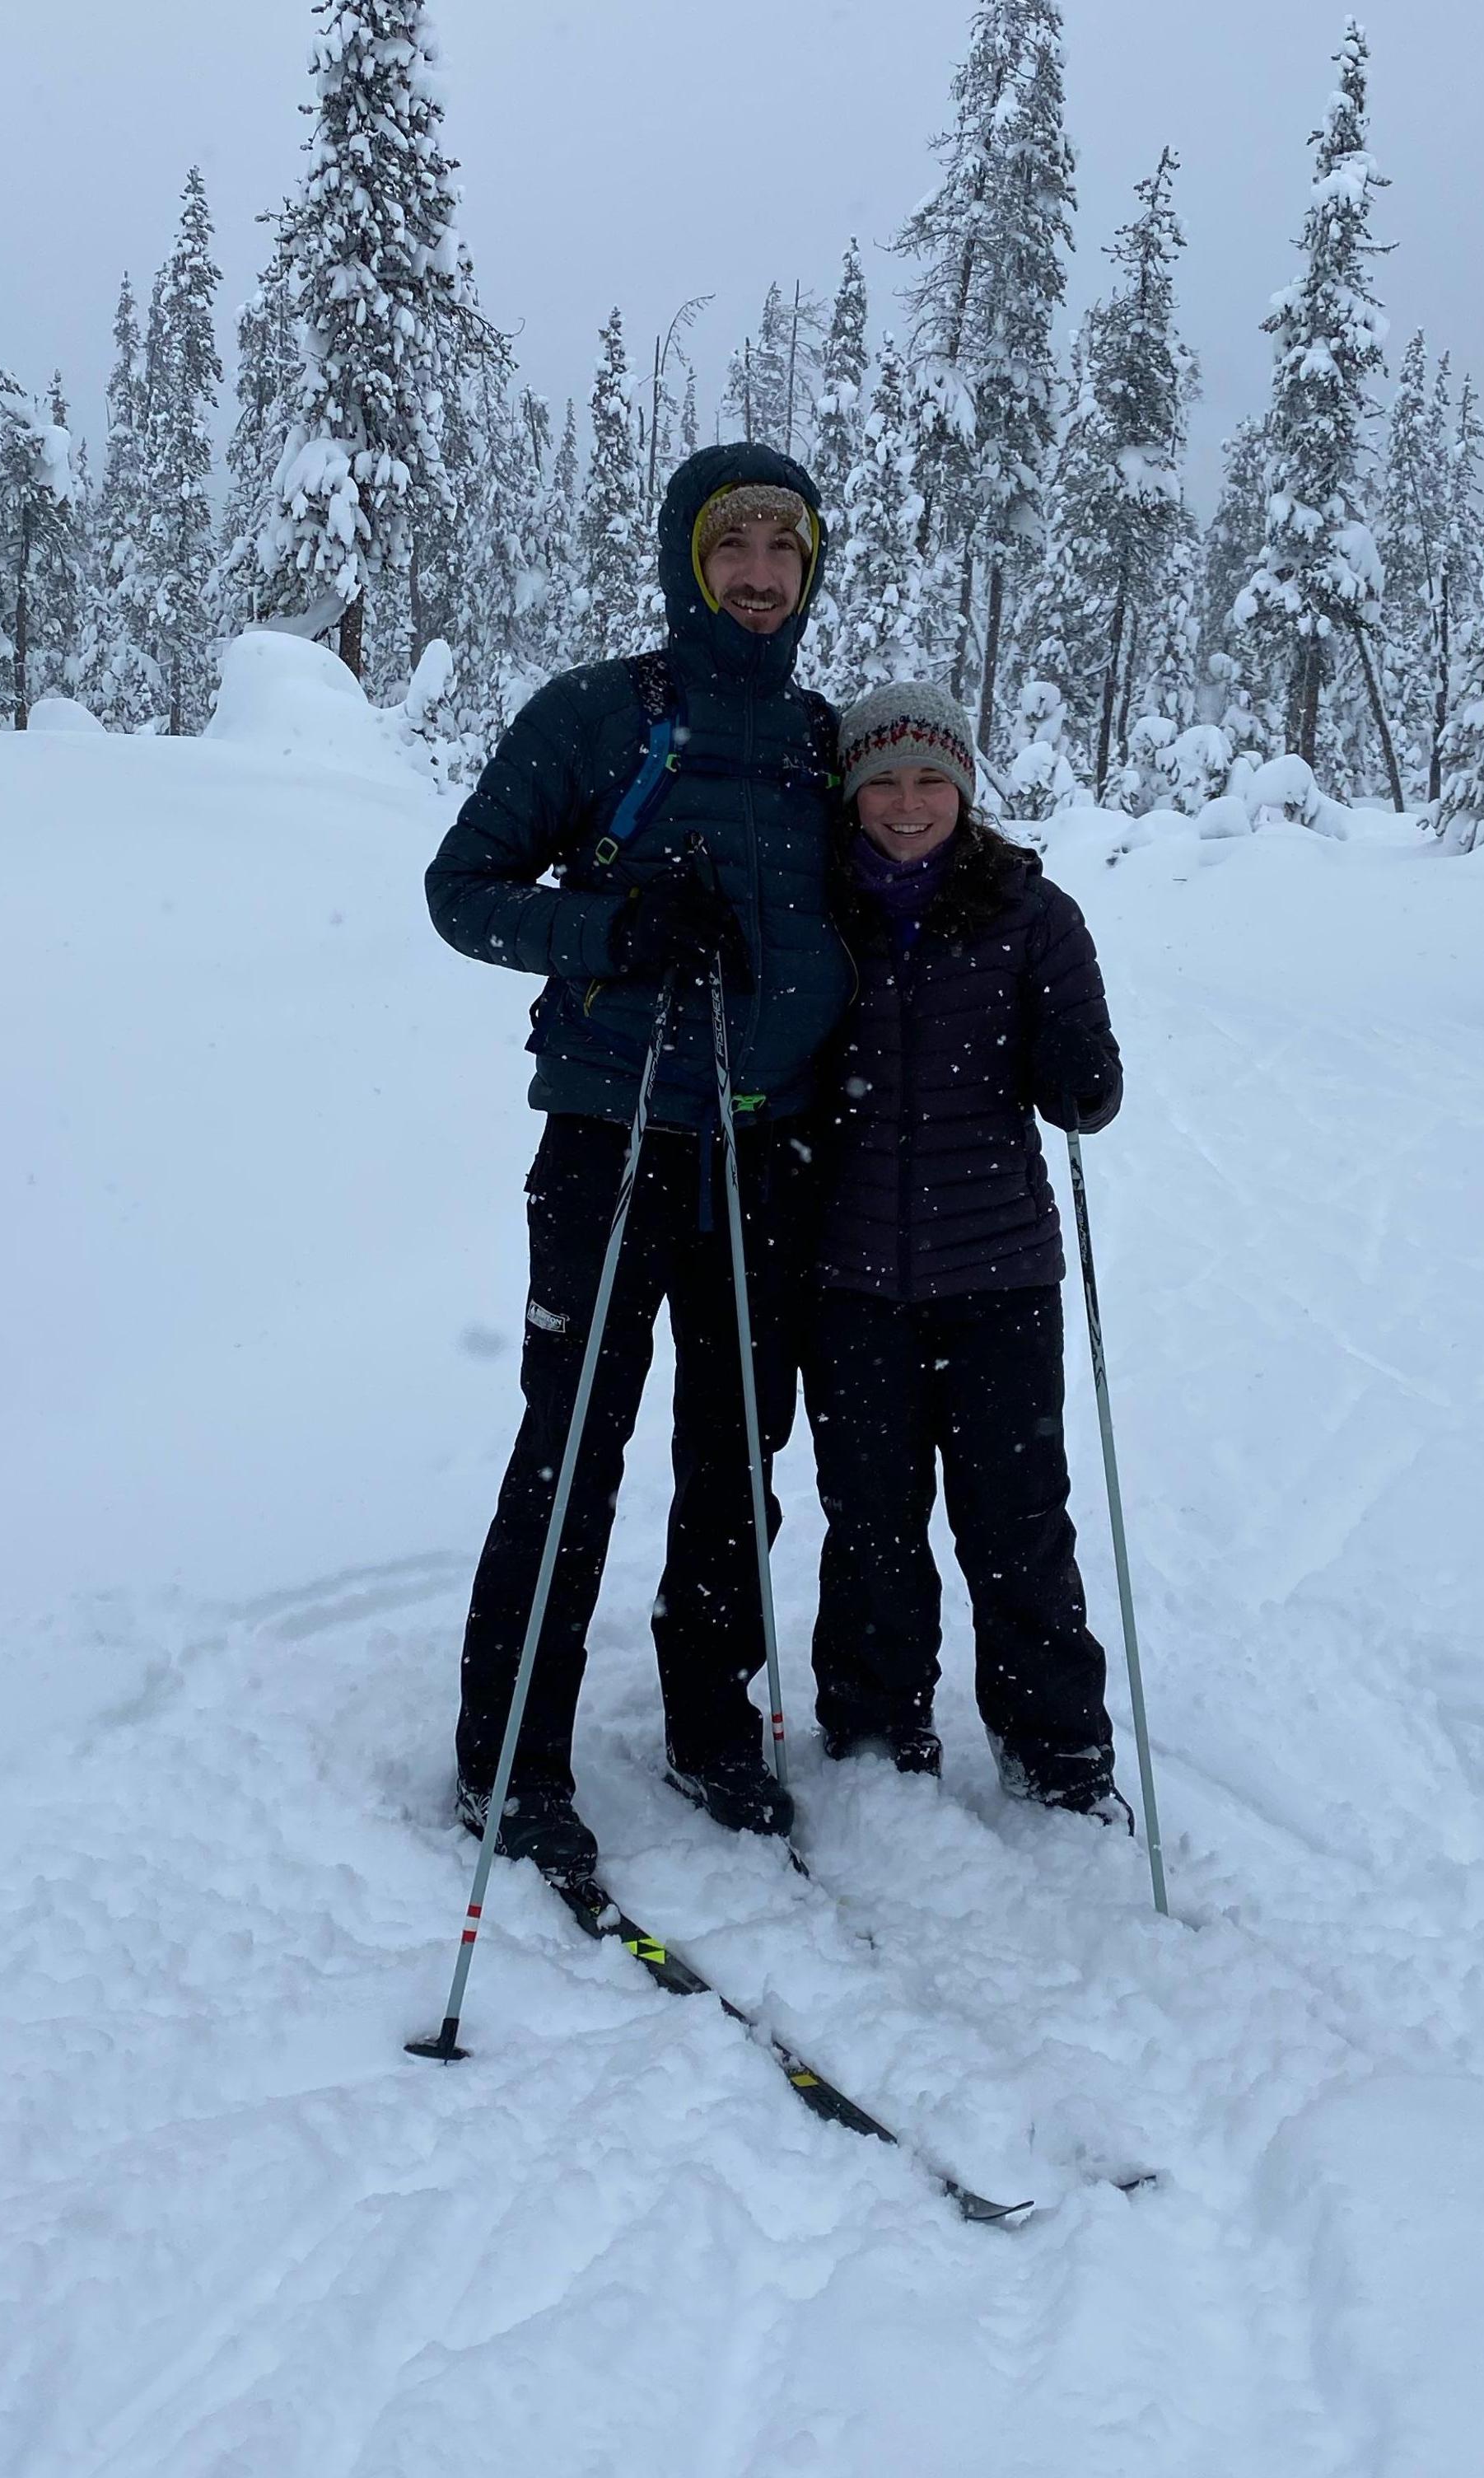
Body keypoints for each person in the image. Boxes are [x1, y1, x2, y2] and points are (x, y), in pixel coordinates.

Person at [422, 443, 850, 1887]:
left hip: (766, 1153)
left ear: (808, 571)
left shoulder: (817, 740)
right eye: (731, 548)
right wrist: (613, 932)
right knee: (573, 1448)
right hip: (609, 1141)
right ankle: (511, 1757)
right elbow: (460, 893)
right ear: (686, 559)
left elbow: (898, 884)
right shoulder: (600, 716)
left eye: (783, 552)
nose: (757, 576)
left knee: (735, 1453)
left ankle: (711, 1725)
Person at [804, 682, 1132, 1823]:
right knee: (872, 1520)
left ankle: (1058, 1750)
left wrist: (1083, 1078)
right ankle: (874, 1733)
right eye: (882, 780)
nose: (906, 804)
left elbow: (1091, 1079)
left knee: (1019, 1522)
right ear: (851, 792)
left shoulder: (1032, 914)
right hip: (847, 1276)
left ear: (965, 788)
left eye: (929, 779)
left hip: (998, 1276)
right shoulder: (815, 903)